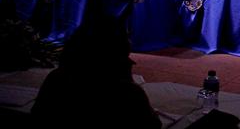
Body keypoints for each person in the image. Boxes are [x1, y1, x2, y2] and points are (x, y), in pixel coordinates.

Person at [31, 22, 162, 129]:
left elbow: (37, 115)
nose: (130, 42)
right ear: (117, 47)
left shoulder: (55, 78)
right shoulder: (128, 93)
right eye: (126, 37)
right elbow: (154, 124)